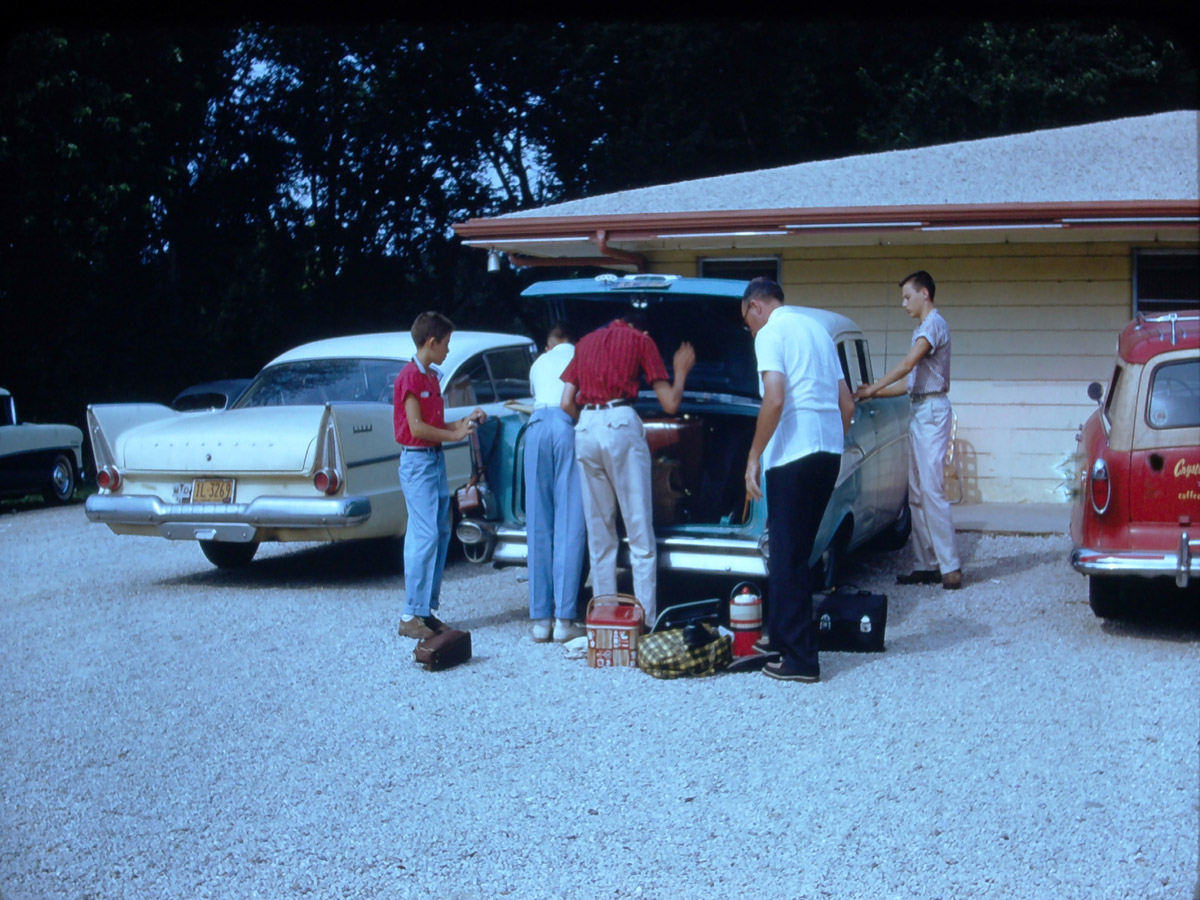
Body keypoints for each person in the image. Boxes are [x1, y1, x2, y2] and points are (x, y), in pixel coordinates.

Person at [742, 278, 855, 684]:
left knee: (785, 555)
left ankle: (801, 659)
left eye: (747, 323)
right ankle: (780, 634)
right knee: (796, 550)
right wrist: (831, 440)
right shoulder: (819, 331)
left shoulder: (770, 333)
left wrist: (754, 457)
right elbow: (847, 404)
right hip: (828, 451)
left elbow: (774, 398)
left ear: (755, 307)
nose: (750, 331)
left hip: (793, 453)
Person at [560, 312, 695, 628]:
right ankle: (644, 621)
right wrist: (681, 371)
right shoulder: (641, 341)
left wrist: (591, 422)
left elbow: (566, 402)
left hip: (586, 427)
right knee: (639, 530)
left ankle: (606, 619)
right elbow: (670, 404)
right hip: (620, 422)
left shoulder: (585, 343)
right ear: (641, 328)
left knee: (599, 532)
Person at [854, 270, 962, 590]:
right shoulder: (921, 329)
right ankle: (926, 564)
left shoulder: (933, 326)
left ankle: (950, 566)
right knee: (916, 491)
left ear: (924, 293)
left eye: (907, 296)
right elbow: (909, 383)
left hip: (932, 411)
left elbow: (906, 365)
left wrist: (873, 386)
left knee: (931, 489)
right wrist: (873, 394)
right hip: (919, 409)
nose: (904, 304)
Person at [393, 311, 487, 640]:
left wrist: (462, 423)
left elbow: (433, 425)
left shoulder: (432, 377)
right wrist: (454, 434)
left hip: (433, 459)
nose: (448, 349)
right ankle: (410, 613)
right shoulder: (410, 378)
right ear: (431, 342)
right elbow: (417, 428)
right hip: (418, 462)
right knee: (425, 535)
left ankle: (424, 610)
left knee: (441, 531)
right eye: (446, 343)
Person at [524, 324, 588, 643]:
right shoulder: (580, 356)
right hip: (566, 425)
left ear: (548, 346)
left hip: (536, 425)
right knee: (569, 523)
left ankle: (540, 620)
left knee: (538, 524)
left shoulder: (538, 363)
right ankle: (564, 619)